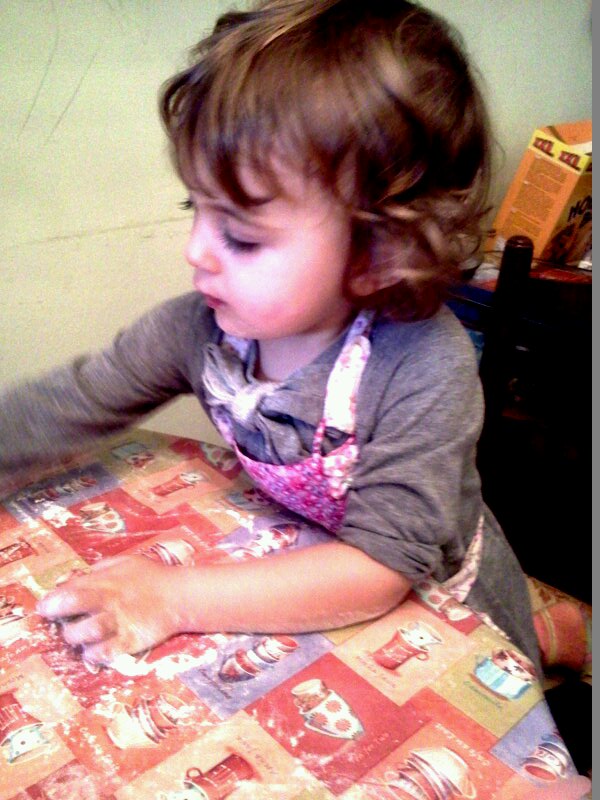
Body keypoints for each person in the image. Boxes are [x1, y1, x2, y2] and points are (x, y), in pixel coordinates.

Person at [0, 0, 584, 676]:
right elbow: (73, 401)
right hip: (309, 560)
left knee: (513, 666)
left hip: (439, 600)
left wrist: (171, 598)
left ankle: (545, 635)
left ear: (378, 255)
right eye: (196, 208)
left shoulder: (424, 366)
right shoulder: (197, 330)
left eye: (241, 235)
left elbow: (380, 568)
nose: (196, 250)